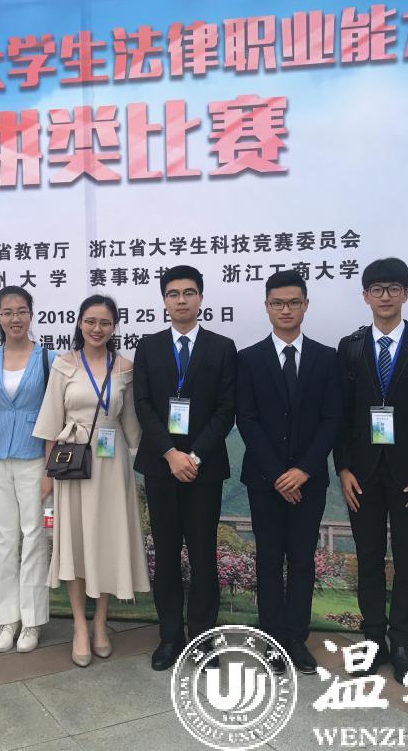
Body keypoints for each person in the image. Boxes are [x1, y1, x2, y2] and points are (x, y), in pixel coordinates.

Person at [334, 258, 408, 685]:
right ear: (365, 295)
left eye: (394, 288)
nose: (385, 296)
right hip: (362, 474)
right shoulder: (350, 347)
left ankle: (401, 642)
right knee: (368, 558)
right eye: (377, 289)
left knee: (407, 559)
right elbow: (340, 415)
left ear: (406, 294)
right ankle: (373, 640)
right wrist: (343, 468)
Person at [33, 295, 149, 667]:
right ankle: (80, 627)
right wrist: (48, 473)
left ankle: (101, 622)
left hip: (112, 468)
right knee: (76, 543)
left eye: (105, 322)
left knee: (106, 542)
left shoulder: (125, 367)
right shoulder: (63, 365)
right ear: (80, 323)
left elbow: (132, 425)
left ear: (114, 327)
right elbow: (51, 423)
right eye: (90, 321)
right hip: (73, 464)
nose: (97, 329)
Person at [235, 271, 341, 674]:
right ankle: (272, 638)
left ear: (305, 305)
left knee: (301, 560)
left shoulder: (326, 358)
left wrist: (303, 471)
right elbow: (246, 419)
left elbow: (332, 419)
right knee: (268, 559)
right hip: (264, 481)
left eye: (294, 302)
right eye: (278, 303)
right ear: (266, 306)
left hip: (309, 481)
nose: (286, 309)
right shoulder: (248, 358)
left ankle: (296, 638)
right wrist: (279, 474)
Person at [133, 265, 237, 671]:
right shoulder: (149, 347)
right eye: (173, 293)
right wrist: (170, 454)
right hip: (161, 467)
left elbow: (227, 408)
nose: (181, 300)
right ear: (164, 300)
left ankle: (203, 637)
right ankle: (170, 636)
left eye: (189, 292)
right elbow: (143, 405)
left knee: (203, 553)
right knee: (166, 553)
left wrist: (192, 456)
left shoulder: (222, 347)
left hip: (203, 470)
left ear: (201, 298)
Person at [0, 287, 56, 654]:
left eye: (21, 311)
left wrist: (49, 470)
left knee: (34, 537)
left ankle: (32, 621)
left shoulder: (48, 359)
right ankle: (7, 619)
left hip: (34, 457)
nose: (15, 318)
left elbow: (55, 415)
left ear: (31, 314)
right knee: (4, 540)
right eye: (7, 312)